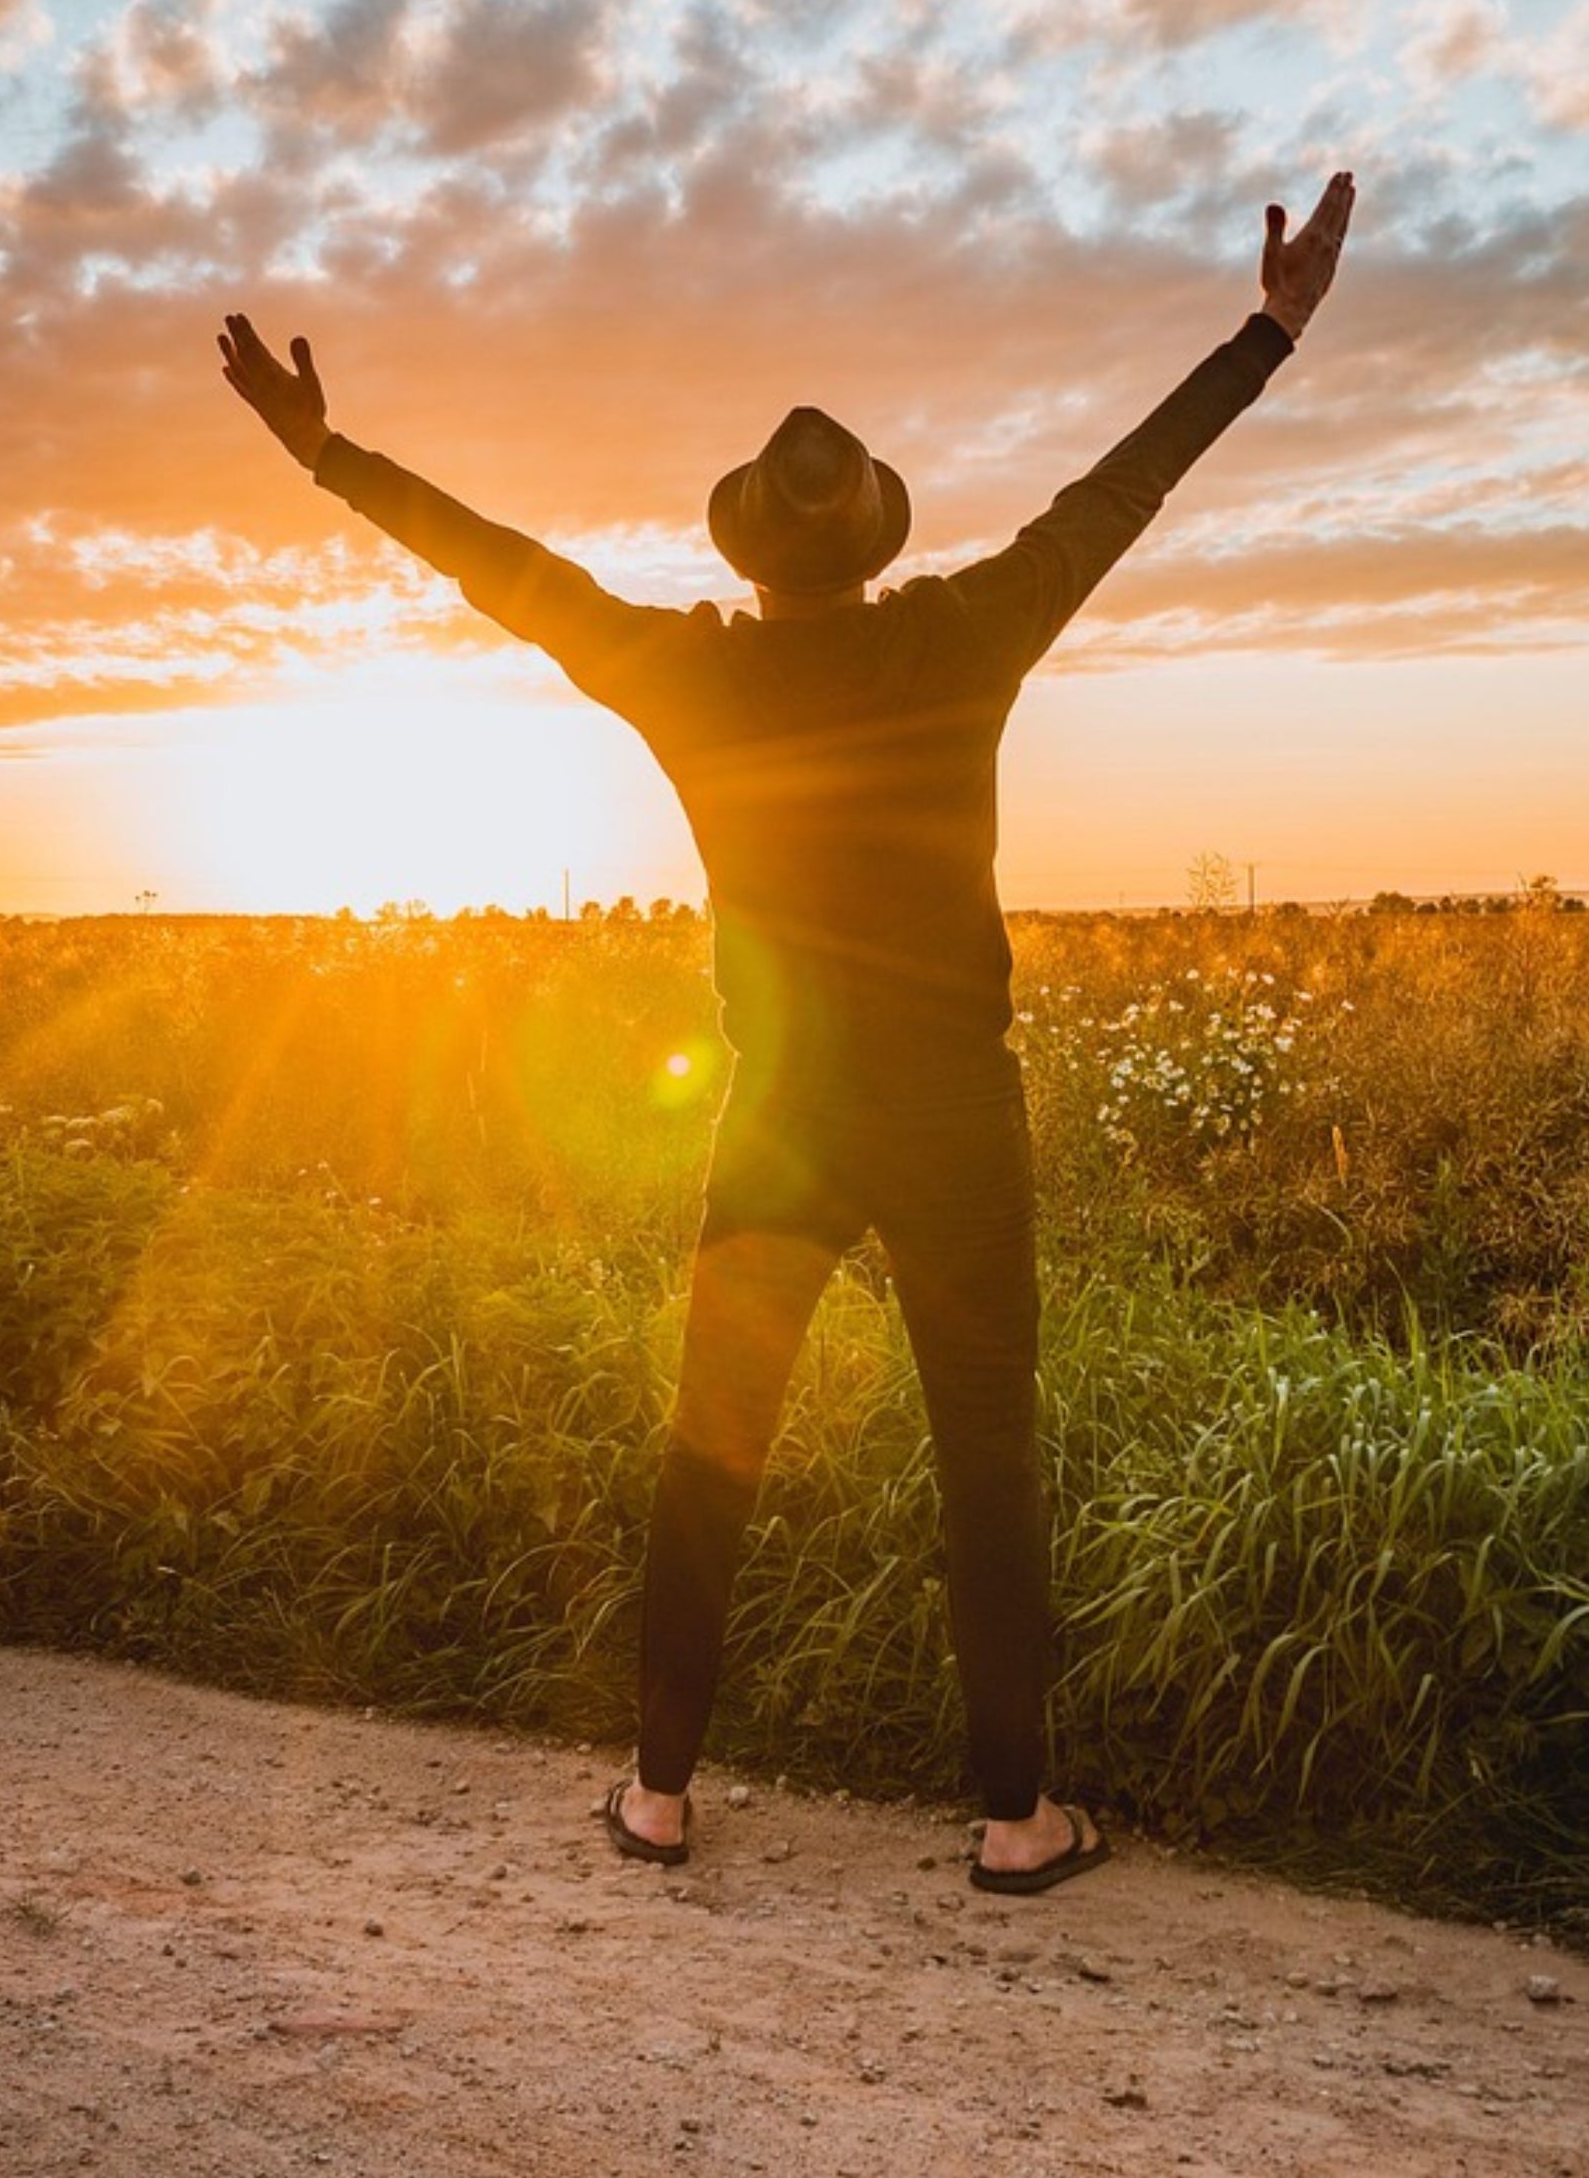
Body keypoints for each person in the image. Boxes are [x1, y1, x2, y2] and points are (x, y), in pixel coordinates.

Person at [219, 170, 1355, 1890]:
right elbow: (1120, 491)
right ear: (876, 541)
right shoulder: (966, 634)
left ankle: (659, 1794)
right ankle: (1015, 1821)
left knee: (715, 1447)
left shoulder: (692, 676)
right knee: (987, 1459)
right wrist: (1266, 334)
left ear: (746, 555)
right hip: (953, 1113)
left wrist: (327, 456)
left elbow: (506, 572)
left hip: (782, 1114)